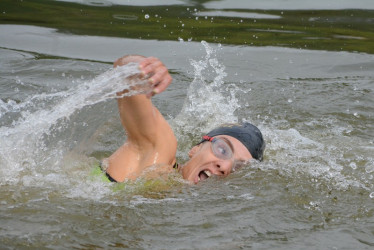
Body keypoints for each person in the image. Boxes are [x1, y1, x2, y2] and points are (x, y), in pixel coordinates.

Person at [101, 55, 265, 184]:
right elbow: (124, 70)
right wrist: (144, 68)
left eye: (238, 167)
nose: (226, 166)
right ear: (195, 149)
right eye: (222, 150)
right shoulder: (158, 153)